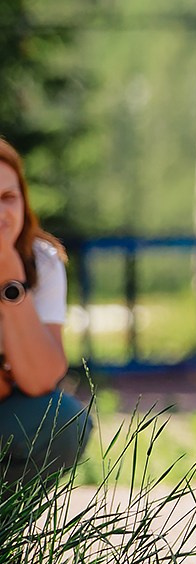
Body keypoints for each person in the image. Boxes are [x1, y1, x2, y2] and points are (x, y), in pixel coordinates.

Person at [0, 137, 91, 480]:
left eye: (8, 197)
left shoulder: (42, 262)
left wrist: (11, 285)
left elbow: (42, 379)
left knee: (63, 422)